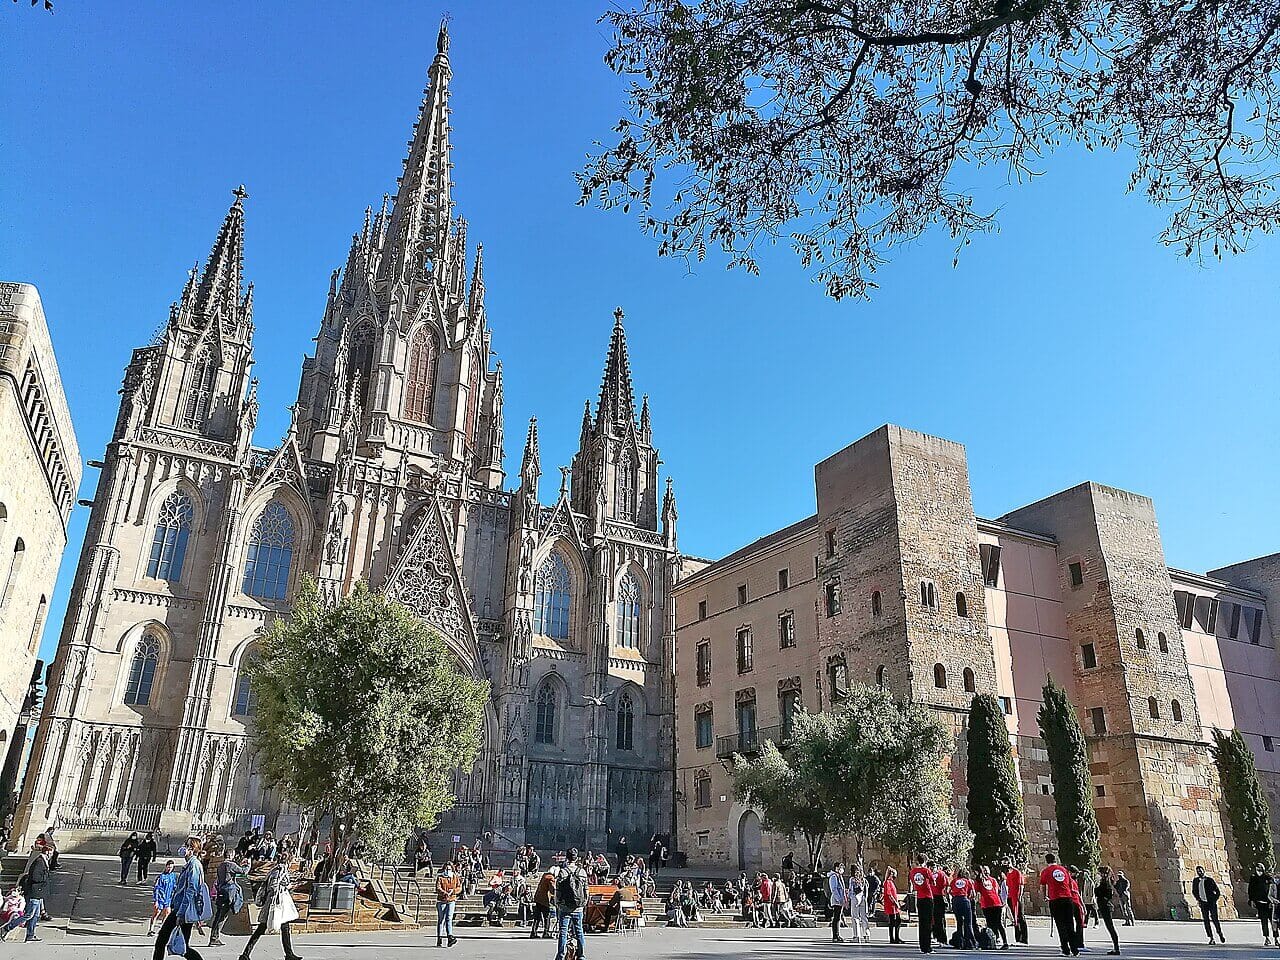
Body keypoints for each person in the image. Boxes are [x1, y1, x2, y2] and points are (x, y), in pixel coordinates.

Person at [151, 836, 208, 960]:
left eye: (186, 845)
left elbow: (191, 890)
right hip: (179, 909)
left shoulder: (194, 865)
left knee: (167, 943)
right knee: (173, 944)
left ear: (191, 849)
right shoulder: (190, 864)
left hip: (183, 911)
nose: (183, 847)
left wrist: (181, 913)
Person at [240, 852, 301, 960]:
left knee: (284, 928)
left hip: (277, 902)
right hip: (277, 903)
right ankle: (245, 954)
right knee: (262, 928)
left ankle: (289, 954)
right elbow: (274, 886)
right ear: (288, 860)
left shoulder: (275, 869)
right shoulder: (280, 870)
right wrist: (289, 886)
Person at [1, 842, 50, 942]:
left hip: (38, 893)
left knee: (35, 915)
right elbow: (35, 877)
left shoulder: (42, 861)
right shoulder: (39, 862)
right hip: (34, 892)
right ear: (47, 852)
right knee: (29, 915)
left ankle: (30, 935)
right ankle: (6, 928)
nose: (51, 854)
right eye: (51, 852)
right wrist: (44, 879)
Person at [1039, 854, 1079, 957]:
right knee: (1070, 924)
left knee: (1060, 925)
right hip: (1068, 898)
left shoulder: (1046, 871)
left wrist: (1045, 896)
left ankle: (1065, 949)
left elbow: (1043, 885)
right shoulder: (1064, 870)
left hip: (1055, 899)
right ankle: (1075, 949)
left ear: (1046, 861)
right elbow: (1070, 884)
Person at [555, 849, 589, 960]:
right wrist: (584, 903)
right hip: (578, 907)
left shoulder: (562, 872)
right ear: (576, 857)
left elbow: (558, 890)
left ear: (567, 858)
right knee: (579, 931)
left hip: (565, 907)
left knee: (563, 932)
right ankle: (581, 955)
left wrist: (558, 903)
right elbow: (586, 890)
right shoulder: (582, 872)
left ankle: (560, 955)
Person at [209, 853, 248, 946]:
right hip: (228, 894)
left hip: (221, 893)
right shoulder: (231, 865)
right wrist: (248, 865)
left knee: (219, 916)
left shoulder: (220, 866)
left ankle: (214, 937)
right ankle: (214, 938)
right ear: (230, 855)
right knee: (222, 916)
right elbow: (243, 871)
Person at [1190, 865, 1225, 945]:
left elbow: (1217, 891)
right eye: (1198, 871)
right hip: (1203, 903)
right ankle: (1211, 937)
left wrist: (1214, 899)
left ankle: (1220, 933)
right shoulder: (1196, 881)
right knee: (1206, 921)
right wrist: (1198, 899)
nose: (1200, 872)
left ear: (1204, 871)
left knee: (1215, 919)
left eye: (1201, 870)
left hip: (1211, 903)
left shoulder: (1209, 880)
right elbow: (1194, 891)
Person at [908, 857, 935, 954]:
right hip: (927, 897)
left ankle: (922, 945)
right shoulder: (926, 870)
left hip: (919, 897)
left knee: (922, 922)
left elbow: (913, 882)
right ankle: (927, 947)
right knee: (928, 923)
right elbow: (933, 882)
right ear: (925, 861)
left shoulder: (912, 872)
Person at [977, 866, 1007, 949]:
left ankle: (995, 942)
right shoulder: (991, 880)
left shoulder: (985, 881)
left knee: (992, 923)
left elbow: (977, 892)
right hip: (993, 903)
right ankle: (1001, 942)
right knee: (996, 923)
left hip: (990, 903)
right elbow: (997, 891)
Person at [1094, 866, 1120, 956]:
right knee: (1110, 927)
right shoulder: (1104, 882)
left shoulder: (1106, 883)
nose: (1098, 875)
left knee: (1110, 927)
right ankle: (1116, 948)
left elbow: (1105, 894)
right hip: (1104, 906)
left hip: (1106, 906)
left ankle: (1116, 948)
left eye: (1099, 873)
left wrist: (1097, 888)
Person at [148, 860, 178, 937]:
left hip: (168, 899)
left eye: (171, 867)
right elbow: (156, 888)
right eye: (168, 867)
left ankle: (162, 929)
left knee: (167, 913)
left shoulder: (173, 876)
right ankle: (151, 929)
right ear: (166, 866)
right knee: (157, 913)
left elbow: (175, 887)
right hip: (161, 898)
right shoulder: (161, 877)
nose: (170, 869)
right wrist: (156, 900)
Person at [950, 868, 977, 950]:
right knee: (968, 923)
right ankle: (971, 943)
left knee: (959, 923)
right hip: (965, 900)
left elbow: (948, 891)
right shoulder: (968, 881)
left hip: (955, 901)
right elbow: (973, 894)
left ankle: (960, 943)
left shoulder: (954, 881)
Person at [1249, 863, 1275, 946]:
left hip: (1269, 903)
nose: (1259, 871)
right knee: (1264, 922)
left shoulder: (1268, 877)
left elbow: (1273, 890)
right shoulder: (1253, 878)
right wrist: (1252, 900)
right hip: (1260, 903)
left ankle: (1276, 938)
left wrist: (1273, 901)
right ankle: (1267, 937)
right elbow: (1251, 890)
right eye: (1257, 870)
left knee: (1273, 922)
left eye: (1260, 870)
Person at [436, 862, 461, 947]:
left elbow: (459, 887)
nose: (448, 871)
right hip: (442, 900)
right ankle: (439, 938)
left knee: (449, 918)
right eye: (446, 869)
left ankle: (449, 936)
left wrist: (453, 891)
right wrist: (445, 893)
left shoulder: (455, 877)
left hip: (451, 900)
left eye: (449, 869)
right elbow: (438, 888)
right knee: (441, 920)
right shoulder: (440, 877)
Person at [827, 861, 848, 943]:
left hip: (840, 899)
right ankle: (835, 935)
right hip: (837, 900)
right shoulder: (834, 877)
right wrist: (839, 899)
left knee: (838, 917)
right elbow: (834, 889)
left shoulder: (839, 876)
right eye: (840, 868)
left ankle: (837, 934)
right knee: (836, 917)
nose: (842, 870)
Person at [530, 867, 555, 939]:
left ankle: (533, 932)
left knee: (537, 917)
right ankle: (546, 932)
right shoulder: (550, 878)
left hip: (538, 898)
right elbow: (552, 890)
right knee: (547, 917)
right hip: (544, 900)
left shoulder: (544, 876)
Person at [929, 861, 949, 945]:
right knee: (940, 919)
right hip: (939, 896)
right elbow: (946, 885)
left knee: (935, 918)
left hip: (934, 897)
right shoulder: (942, 874)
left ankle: (938, 937)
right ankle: (941, 938)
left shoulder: (930, 874)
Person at [883, 867, 903, 944]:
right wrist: (896, 903)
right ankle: (893, 938)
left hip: (893, 905)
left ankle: (896, 937)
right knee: (894, 921)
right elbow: (889, 894)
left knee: (897, 920)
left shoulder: (890, 882)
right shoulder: (888, 882)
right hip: (891, 905)